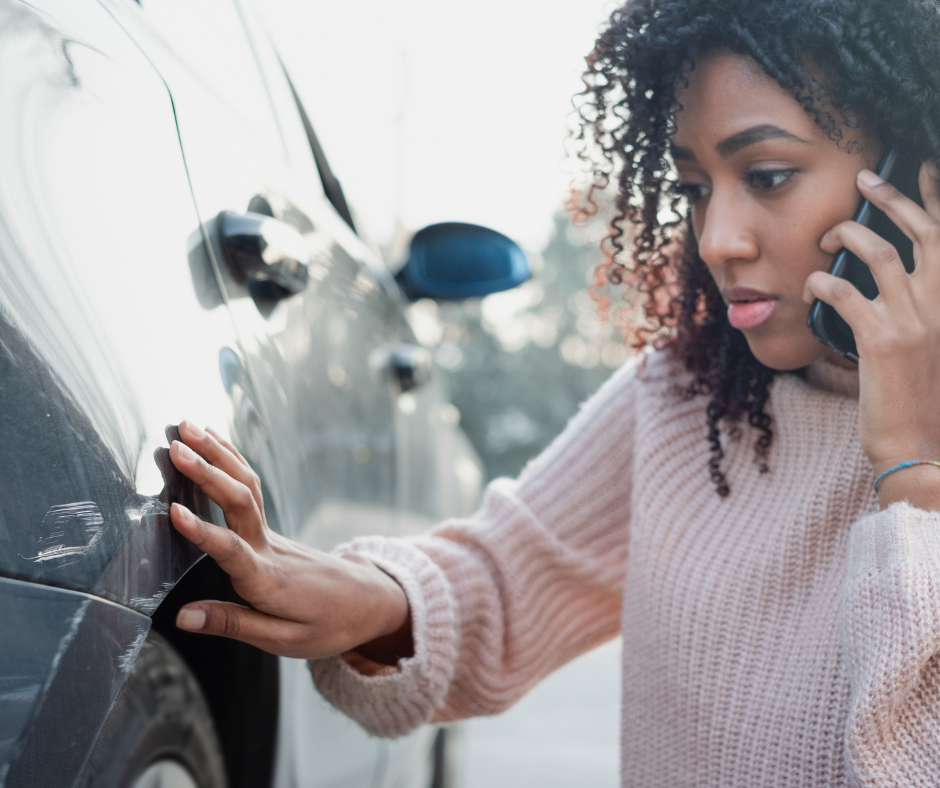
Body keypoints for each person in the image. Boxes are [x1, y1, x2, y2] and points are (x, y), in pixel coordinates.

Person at [166, 0, 940, 784]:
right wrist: (363, 597)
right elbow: (508, 576)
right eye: (695, 189)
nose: (717, 240)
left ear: (917, 179)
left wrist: (912, 470)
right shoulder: (686, 395)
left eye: (769, 176)